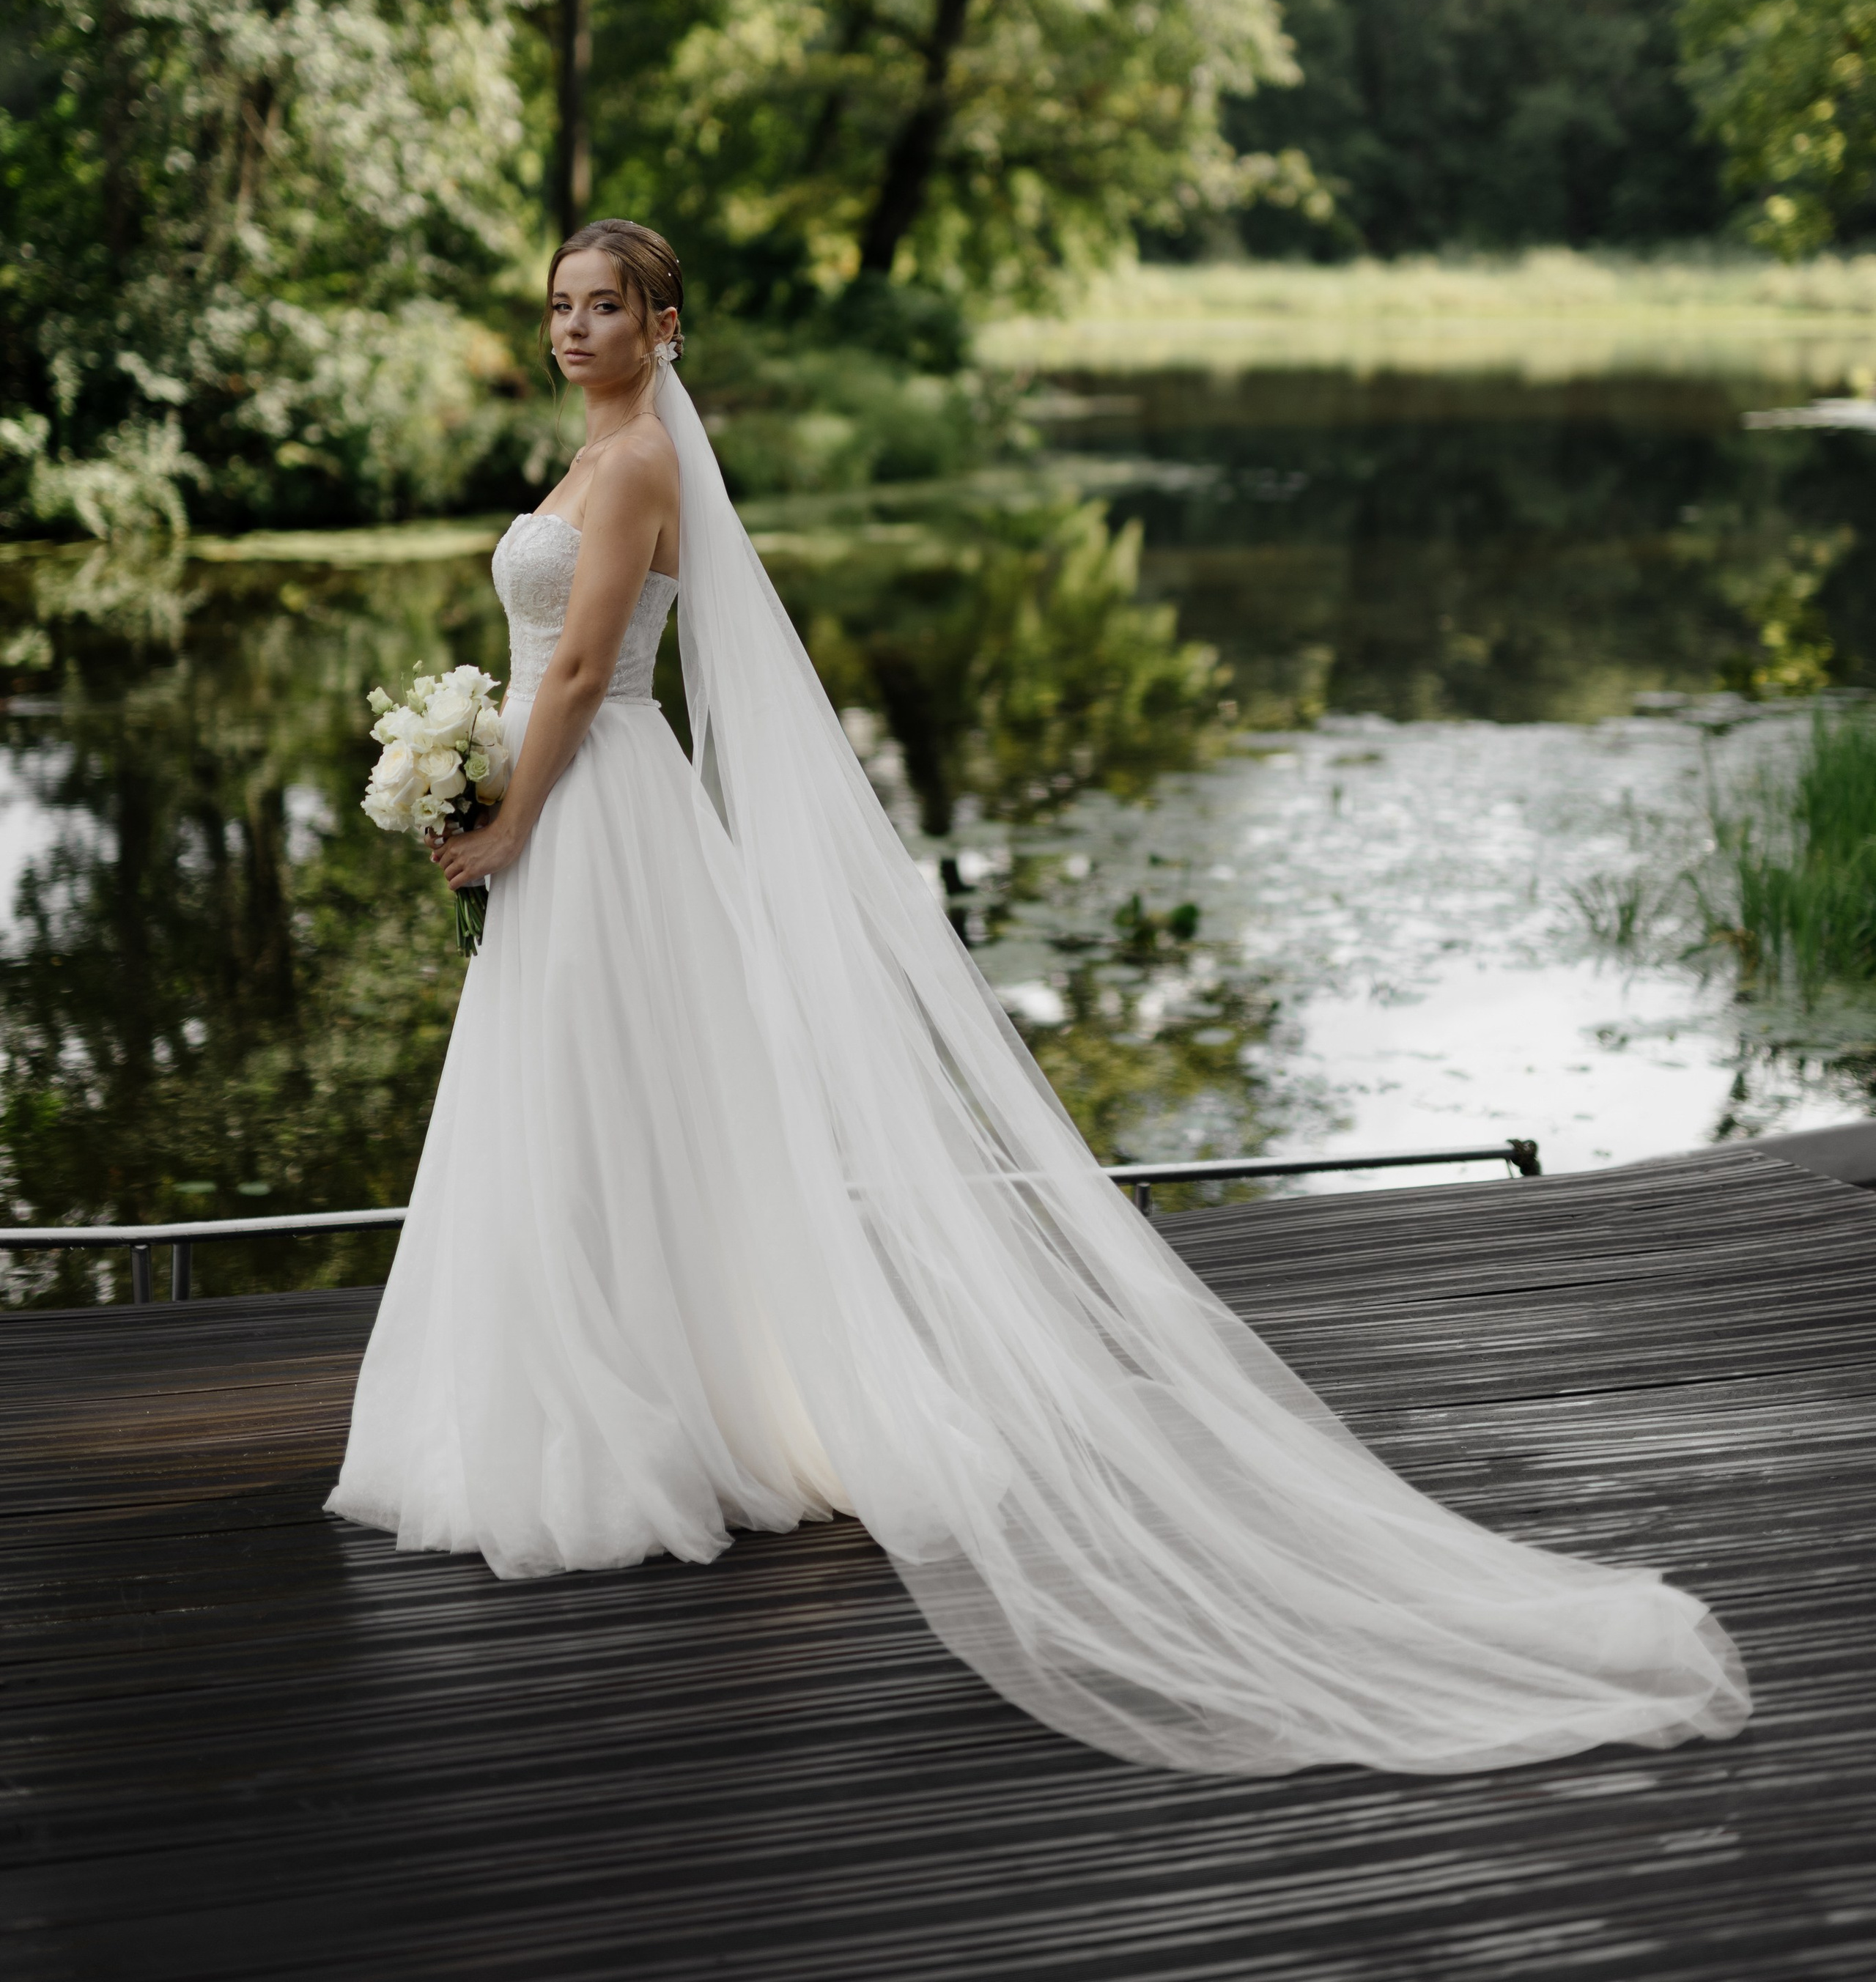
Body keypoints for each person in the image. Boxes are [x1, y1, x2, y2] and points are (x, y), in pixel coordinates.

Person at [328, 219, 1751, 1777]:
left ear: (666, 327)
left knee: (607, 1092)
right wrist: (474, 773)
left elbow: (591, 664)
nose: (575, 326)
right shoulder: (583, 460)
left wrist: (509, 813)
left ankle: (645, 1420)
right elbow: (548, 658)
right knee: (574, 1105)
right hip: (566, 812)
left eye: (606, 306)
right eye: (560, 306)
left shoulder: (648, 465)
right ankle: (607, 1380)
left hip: (594, 808)